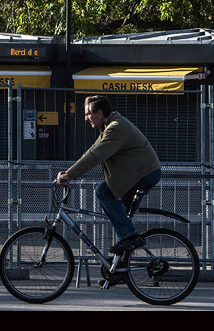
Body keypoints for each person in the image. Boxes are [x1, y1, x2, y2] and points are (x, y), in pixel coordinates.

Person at [57, 95, 161, 254]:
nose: (86, 118)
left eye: (87, 114)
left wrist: (69, 175)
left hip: (144, 173)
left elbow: (96, 156)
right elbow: (91, 151)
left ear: (99, 113)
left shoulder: (115, 128)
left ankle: (130, 237)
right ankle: (118, 269)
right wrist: (68, 172)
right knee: (122, 220)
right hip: (137, 173)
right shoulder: (108, 127)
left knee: (103, 192)